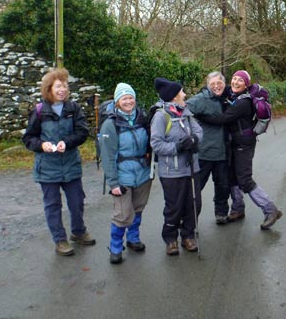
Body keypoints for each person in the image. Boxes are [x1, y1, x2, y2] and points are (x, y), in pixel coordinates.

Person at [195, 70, 283, 230]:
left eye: (240, 81)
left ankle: (270, 210)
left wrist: (201, 116)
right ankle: (238, 208)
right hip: (233, 142)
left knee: (244, 179)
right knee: (231, 175)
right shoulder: (233, 95)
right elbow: (216, 89)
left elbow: (223, 119)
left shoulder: (243, 102)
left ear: (246, 85)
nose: (235, 82)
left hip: (244, 143)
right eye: (234, 78)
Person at [22, 68, 95, 256]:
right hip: (47, 168)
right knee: (53, 205)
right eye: (58, 86)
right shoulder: (39, 111)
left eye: (65, 86)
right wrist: (42, 145)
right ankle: (60, 240)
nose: (63, 89)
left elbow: (82, 132)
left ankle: (78, 232)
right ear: (49, 88)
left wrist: (67, 142)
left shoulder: (73, 108)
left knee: (77, 201)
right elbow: (29, 138)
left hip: (70, 164)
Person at [99, 83, 153, 264]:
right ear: (117, 101)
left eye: (131, 97)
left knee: (138, 208)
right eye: (124, 98)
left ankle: (133, 238)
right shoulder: (110, 124)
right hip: (122, 175)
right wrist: (113, 183)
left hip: (143, 172)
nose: (128, 101)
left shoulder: (142, 118)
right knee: (122, 214)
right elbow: (107, 156)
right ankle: (115, 247)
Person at [150, 78, 204, 256]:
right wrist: (177, 147)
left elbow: (199, 131)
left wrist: (194, 140)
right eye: (182, 92)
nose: (185, 94)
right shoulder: (161, 116)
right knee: (174, 207)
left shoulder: (186, 113)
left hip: (191, 168)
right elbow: (156, 144)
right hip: (171, 172)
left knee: (194, 204)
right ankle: (170, 239)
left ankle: (188, 235)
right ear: (174, 97)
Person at [186, 71, 231, 225]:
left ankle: (221, 213)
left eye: (219, 83)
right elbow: (184, 109)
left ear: (224, 83)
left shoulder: (229, 97)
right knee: (196, 187)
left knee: (223, 186)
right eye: (212, 84)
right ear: (207, 86)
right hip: (205, 152)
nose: (216, 86)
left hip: (224, 152)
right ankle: (189, 218)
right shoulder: (201, 99)